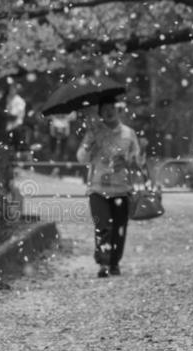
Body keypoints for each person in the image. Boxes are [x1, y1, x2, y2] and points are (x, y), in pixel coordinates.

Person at [76, 98, 142, 278]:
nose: (109, 111)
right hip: (97, 189)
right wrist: (90, 145)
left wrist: (128, 160)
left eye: (111, 107)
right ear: (100, 113)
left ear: (117, 109)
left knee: (119, 229)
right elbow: (81, 158)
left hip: (122, 189)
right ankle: (103, 262)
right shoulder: (94, 133)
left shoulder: (129, 134)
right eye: (104, 108)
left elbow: (138, 161)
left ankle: (114, 262)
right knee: (103, 227)